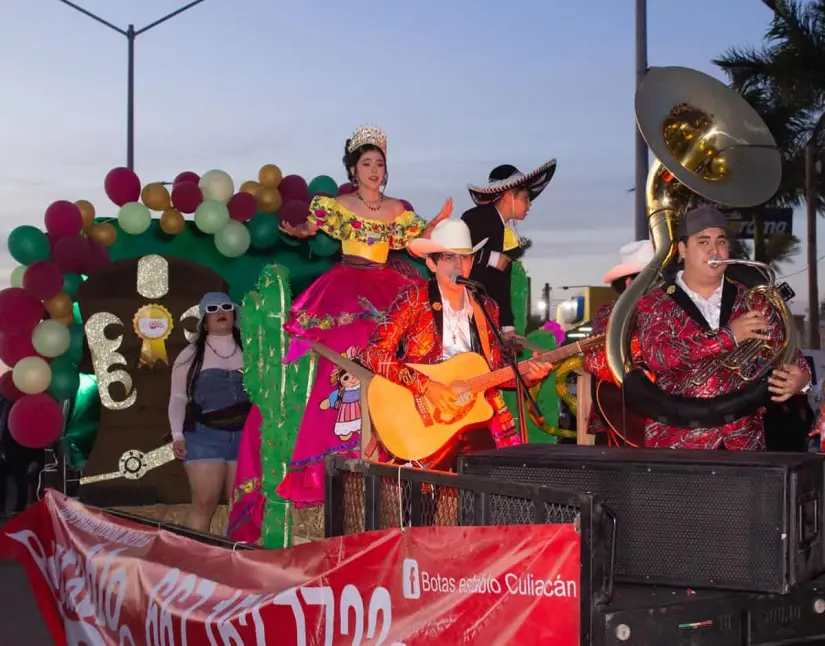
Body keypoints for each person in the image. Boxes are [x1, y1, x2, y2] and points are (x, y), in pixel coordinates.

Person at [232, 124, 450, 517]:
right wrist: (301, 231)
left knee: (407, 342)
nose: (374, 170)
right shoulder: (339, 205)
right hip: (348, 282)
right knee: (346, 344)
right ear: (353, 170)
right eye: (366, 163)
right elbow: (314, 228)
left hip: (389, 282)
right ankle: (335, 433)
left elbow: (419, 239)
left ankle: (404, 430)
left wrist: (438, 223)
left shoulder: (398, 209)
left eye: (380, 164)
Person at [360, 219, 554, 467]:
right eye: (448, 258)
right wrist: (427, 385)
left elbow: (493, 372)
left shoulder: (486, 308)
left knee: (489, 486)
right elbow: (373, 353)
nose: (458, 266)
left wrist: (529, 375)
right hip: (423, 417)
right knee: (425, 498)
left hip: (473, 418)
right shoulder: (413, 298)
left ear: (472, 263)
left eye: (464, 258)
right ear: (431, 263)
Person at [635, 206, 811, 451]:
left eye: (720, 241)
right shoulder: (654, 303)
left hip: (745, 442)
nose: (714, 250)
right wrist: (729, 336)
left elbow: (787, 353)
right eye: (703, 242)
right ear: (682, 249)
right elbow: (660, 357)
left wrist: (800, 379)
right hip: (676, 442)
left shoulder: (754, 300)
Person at [169, 292, 248, 532]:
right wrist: (177, 435)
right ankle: (195, 562)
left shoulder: (252, 351)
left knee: (243, 505)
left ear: (234, 314)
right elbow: (178, 397)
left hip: (244, 437)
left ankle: (239, 562)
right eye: (212, 309)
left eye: (226, 307)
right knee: (205, 502)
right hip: (205, 436)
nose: (220, 312)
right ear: (204, 320)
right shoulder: (190, 354)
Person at [461, 161, 556, 339]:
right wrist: (490, 257)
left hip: (484, 314)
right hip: (463, 314)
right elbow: (450, 254)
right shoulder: (477, 218)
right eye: (525, 198)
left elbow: (501, 283)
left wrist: (507, 327)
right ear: (508, 197)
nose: (529, 204)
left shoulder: (500, 227)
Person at [583, 240, 654, 446]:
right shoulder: (608, 314)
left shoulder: (670, 309)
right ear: (630, 283)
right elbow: (596, 361)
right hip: (619, 422)